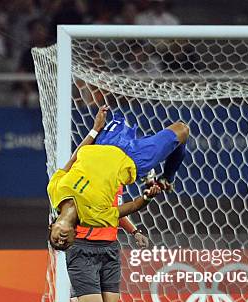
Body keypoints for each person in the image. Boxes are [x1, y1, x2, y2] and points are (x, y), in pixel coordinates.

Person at [47, 105, 189, 250]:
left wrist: (95, 129)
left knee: (120, 108)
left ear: (51, 227)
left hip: (105, 142)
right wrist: (147, 197)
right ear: (75, 235)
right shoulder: (92, 218)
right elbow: (132, 206)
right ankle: (167, 178)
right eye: (65, 245)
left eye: (55, 240)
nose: (60, 241)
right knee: (182, 130)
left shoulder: (54, 190)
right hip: (134, 158)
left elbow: (72, 160)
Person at [62, 185, 149, 302]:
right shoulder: (81, 179)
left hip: (109, 249)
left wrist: (134, 231)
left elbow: (115, 213)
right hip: (82, 249)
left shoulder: (115, 180)